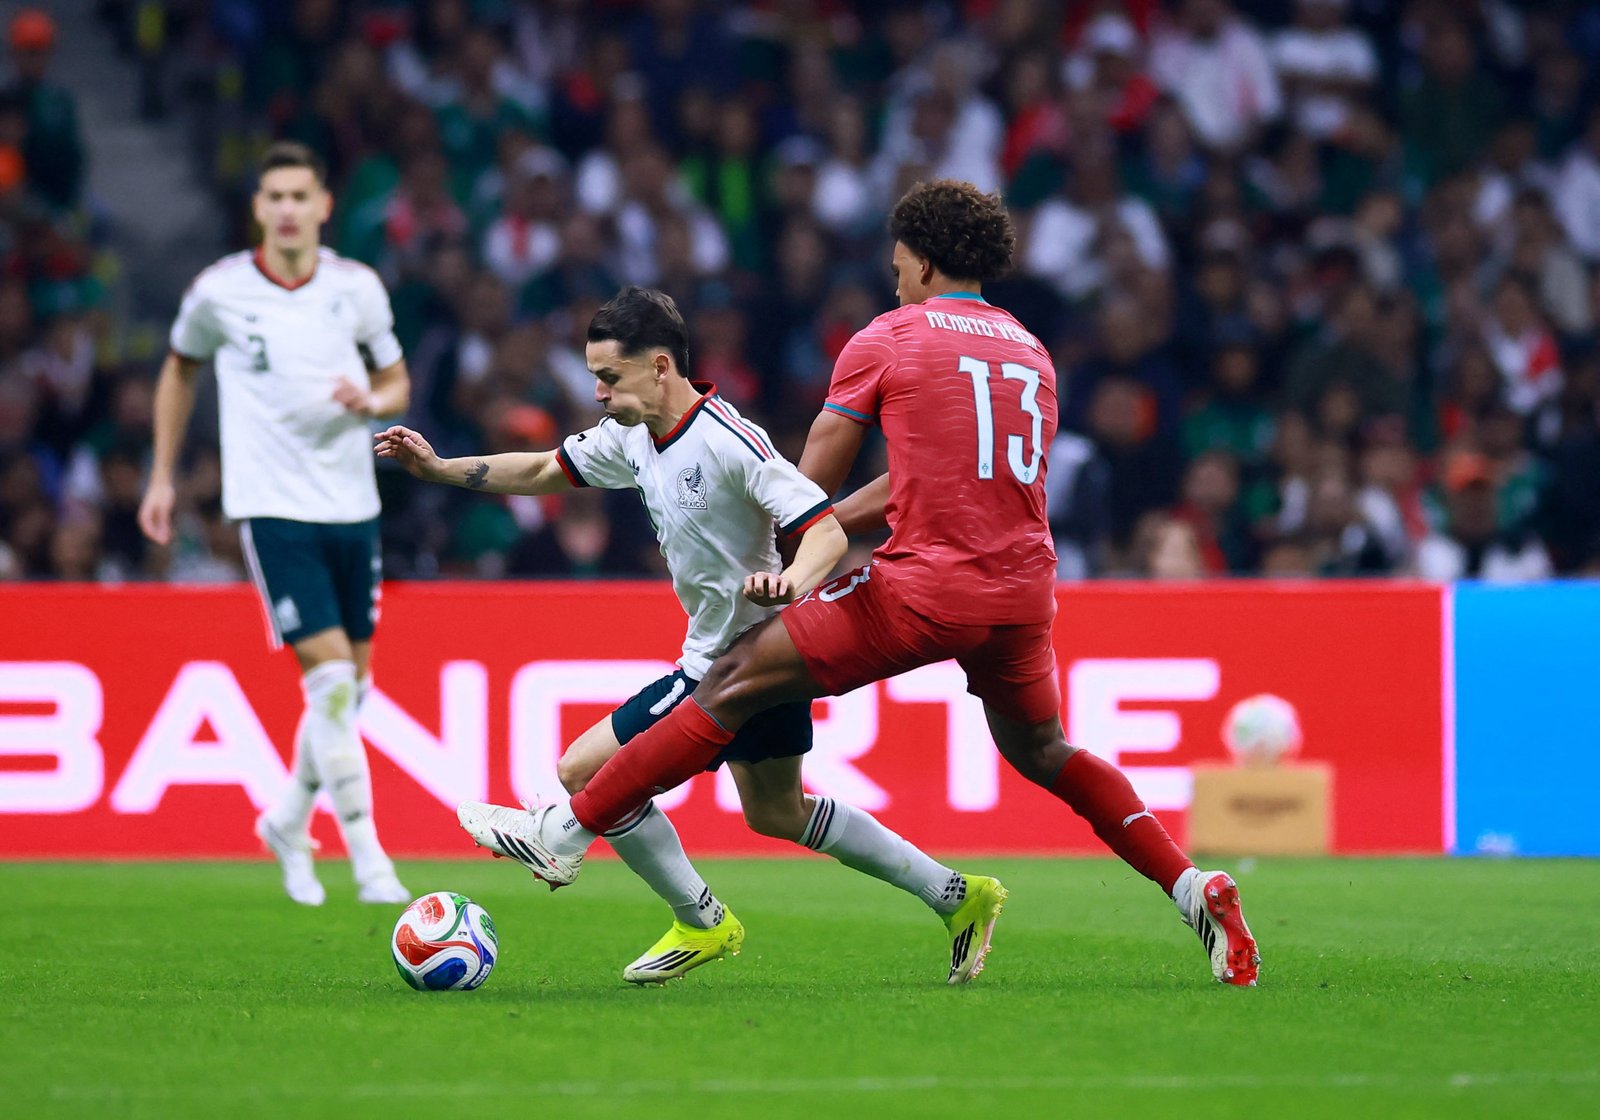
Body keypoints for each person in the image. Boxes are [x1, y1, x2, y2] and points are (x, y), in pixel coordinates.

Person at [458, 181, 1262, 987]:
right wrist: (829, 518)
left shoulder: (889, 336)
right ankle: (1189, 885)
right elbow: (958, 477)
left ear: (923, 262)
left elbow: (810, 482)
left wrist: (788, 534)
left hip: (924, 591)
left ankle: (567, 831)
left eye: (899, 265)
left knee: (730, 675)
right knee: (1044, 750)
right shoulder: (1029, 350)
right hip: (1022, 594)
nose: (896, 280)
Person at [382, 286, 1006, 985]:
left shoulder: (729, 441)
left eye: (609, 376)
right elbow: (541, 468)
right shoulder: (630, 436)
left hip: (747, 659)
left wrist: (792, 582)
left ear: (659, 366)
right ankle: (958, 895)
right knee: (779, 811)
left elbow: (825, 530)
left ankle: (678, 906)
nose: (597, 392)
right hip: (738, 656)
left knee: (583, 771)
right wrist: (440, 469)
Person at [138, 142, 412, 908]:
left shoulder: (356, 288)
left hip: (352, 506)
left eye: (300, 195)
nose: (288, 209)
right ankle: (369, 860)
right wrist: (161, 476)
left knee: (351, 690)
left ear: (324, 206)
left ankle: (287, 821)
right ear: (258, 209)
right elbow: (178, 370)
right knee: (330, 683)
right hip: (272, 508)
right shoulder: (219, 292)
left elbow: (396, 380)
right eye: (275, 197)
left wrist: (373, 402)